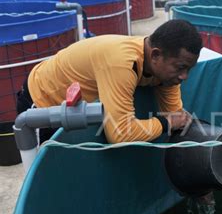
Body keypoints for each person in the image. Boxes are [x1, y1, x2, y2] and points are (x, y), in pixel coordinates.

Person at [16, 19, 202, 143]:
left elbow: (176, 118)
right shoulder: (121, 63)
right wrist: (165, 123)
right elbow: (120, 133)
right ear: (155, 55)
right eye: (180, 67)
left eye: (189, 69)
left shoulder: (165, 74)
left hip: (77, 110)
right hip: (43, 101)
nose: (184, 76)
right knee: (52, 177)